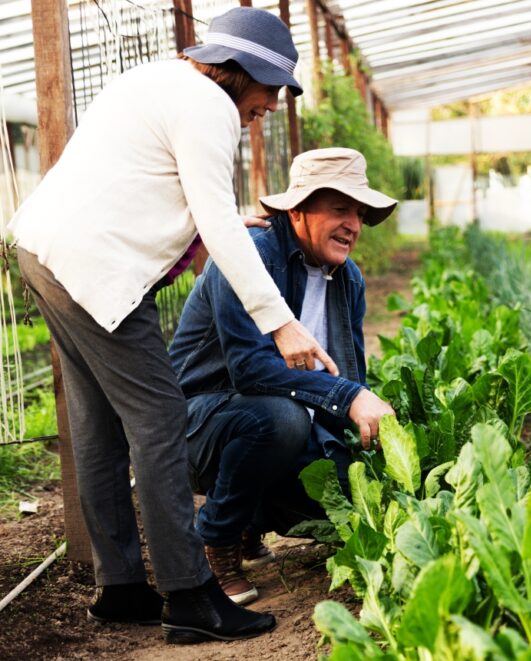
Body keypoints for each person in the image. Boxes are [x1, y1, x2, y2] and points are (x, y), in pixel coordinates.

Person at [9, 7, 336, 645]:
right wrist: (281, 324)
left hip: (43, 250)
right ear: (238, 72)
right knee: (160, 420)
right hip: (94, 268)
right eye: (268, 90)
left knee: (97, 426)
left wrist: (215, 219)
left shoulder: (155, 80)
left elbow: (151, 184)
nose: (268, 105)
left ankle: (123, 587)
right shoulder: (210, 108)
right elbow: (211, 212)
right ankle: (190, 596)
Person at [168, 148, 397, 604]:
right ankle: (216, 540)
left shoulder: (348, 279)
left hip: (270, 420)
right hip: (195, 427)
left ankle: (251, 518)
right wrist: (347, 396)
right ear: (297, 211)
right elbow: (250, 370)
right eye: (339, 208)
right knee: (281, 418)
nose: (353, 223)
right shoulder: (248, 258)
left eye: (358, 212)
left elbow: (350, 374)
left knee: (344, 492)